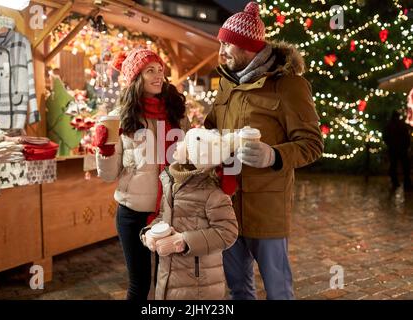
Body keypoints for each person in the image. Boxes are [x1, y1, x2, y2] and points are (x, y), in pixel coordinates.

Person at [204, 2, 324, 300]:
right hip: (226, 205)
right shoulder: (225, 85)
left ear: (248, 47)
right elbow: (208, 130)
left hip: (267, 209)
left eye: (227, 45)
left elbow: (312, 144)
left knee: (278, 290)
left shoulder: (289, 86)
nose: (221, 52)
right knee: (238, 289)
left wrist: (274, 155)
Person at [94, 48, 190, 300]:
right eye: (150, 71)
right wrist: (104, 149)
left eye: (160, 70)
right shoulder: (119, 119)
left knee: (166, 283)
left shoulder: (176, 113)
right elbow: (109, 174)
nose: (158, 76)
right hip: (132, 214)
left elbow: (187, 160)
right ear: (136, 78)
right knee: (139, 284)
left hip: (170, 211)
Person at [141, 128, 239, 299]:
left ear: (194, 156)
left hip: (198, 286)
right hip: (168, 278)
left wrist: (183, 241)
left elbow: (228, 232)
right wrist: (149, 232)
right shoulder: (172, 184)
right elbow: (163, 216)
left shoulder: (213, 194)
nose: (177, 144)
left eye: (184, 142)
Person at [383, 109, 412, 191]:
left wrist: (389, 144)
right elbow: (406, 137)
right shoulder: (401, 125)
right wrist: (406, 146)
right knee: (405, 166)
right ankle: (406, 183)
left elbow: (385, 137)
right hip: (401, 148)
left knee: (393, 165)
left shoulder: (389, 125)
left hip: (393, 148)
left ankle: (395, 182)